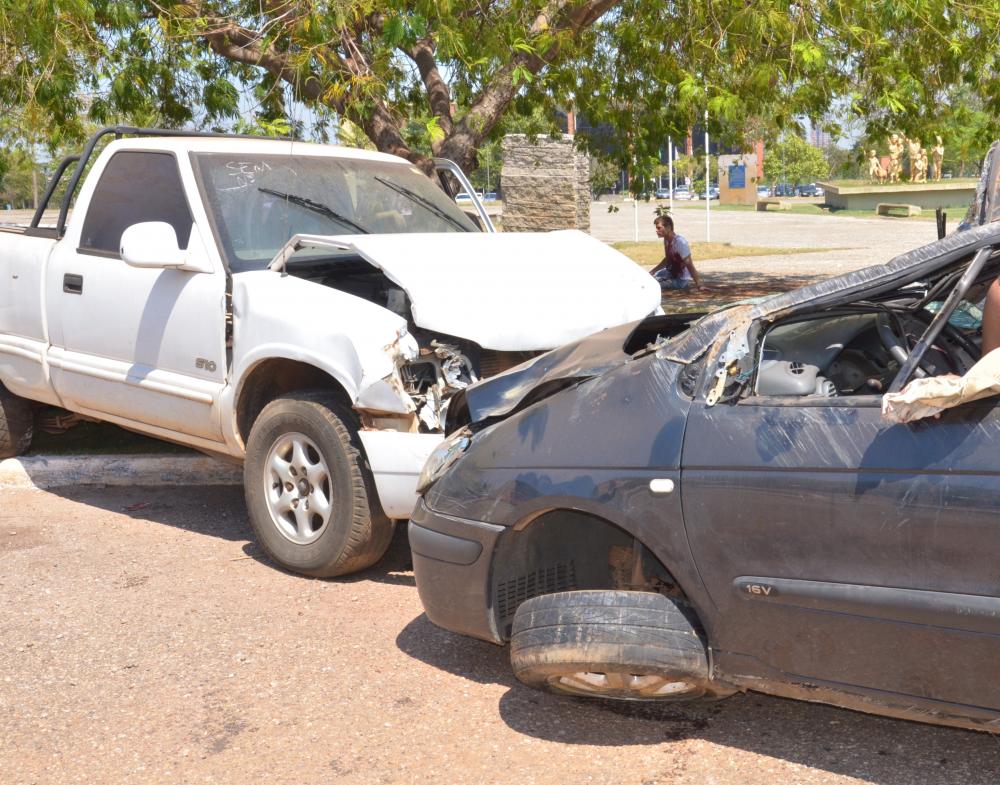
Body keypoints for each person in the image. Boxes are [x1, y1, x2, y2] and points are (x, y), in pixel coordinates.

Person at [649, 215, 705, 291]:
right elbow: (668, 259)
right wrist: (653, 271)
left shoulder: (680, 242)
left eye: (659, 228)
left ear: (668, 227)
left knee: (654, 285)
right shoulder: (666, 239)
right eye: (656, 228)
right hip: (671, 273)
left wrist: (699, 285)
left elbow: (689, 265)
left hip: (680, 280)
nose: (656, 230)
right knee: (649, 279)